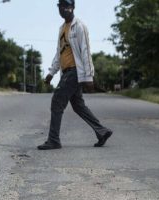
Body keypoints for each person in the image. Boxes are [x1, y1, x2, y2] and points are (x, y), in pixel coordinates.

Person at [37, 0, 113, 150]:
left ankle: (54, 140)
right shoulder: (62, 29)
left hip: (74, 71)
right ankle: (102, 131)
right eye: (61, 7)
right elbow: (59, 54)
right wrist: (51, 73)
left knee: (57, 101)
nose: (63, 9)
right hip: (66, 71)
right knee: (78, 106)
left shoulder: (79, 26)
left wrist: (89, 76)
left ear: (72, 8)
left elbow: (86, 51)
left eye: (67, 6)